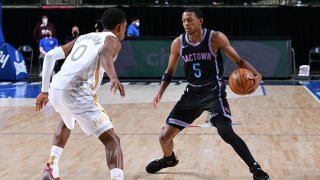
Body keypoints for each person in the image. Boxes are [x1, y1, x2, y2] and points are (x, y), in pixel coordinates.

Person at [145, 7, 270, 180]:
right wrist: (160, 92)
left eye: (189, 20)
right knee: (164, 138)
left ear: (200, 21)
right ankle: (169, 159)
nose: (186, 24)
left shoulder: (215, 37)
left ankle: (256, 169)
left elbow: (239, 61)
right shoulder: (178, 43)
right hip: (192, 93)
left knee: (226, 132)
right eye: (183, 21)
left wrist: (257, 75)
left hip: (213, 90)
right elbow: (170, 71)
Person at [36, 8, 127, 180]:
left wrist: (44, 91)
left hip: (56, 88)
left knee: (67, 120)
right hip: (76, 91)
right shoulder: (113, 40)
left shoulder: (83, 37)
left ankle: (51, 166)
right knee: (112, 140)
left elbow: (49, 56)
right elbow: (104, 53)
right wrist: (114, 77)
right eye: (125, 27)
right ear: (119, 27)